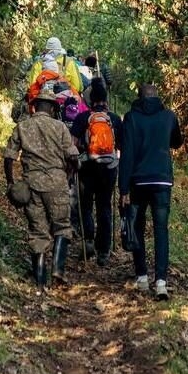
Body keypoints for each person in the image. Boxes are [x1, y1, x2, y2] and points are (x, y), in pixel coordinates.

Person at [3, 90, 79, 290]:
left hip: (32, 183)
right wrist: (68, 176)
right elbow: (73, 158)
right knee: (62, 226)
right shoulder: (60, 127)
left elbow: (9, 157)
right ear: (53, 108)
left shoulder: (23, 126)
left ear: (34, 106)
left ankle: (39, 279)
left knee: (38, 230)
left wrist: (10, 183)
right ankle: (57, 269)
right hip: (57, 182)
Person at [118, 84, 182, 300]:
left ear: (139, 97)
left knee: (137, 227)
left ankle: (143, 277)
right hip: (162, 181)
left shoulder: (131, 118)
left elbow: (126, 154)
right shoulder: (169, 116)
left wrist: (123, 188)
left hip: (138, 182)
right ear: (158, 97)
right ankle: (161, 282)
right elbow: (177, 142)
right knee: (161, 230)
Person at [70, 78, 123, 266]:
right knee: (104, 207)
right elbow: (121, 148)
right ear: (106, 99)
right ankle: (104, 251)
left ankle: (89, 241)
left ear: (90, 100)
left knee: (85, 205)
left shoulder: (82, 118)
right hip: (108, 169)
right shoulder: (115, 119)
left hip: (87, 167)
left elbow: (73, 144)